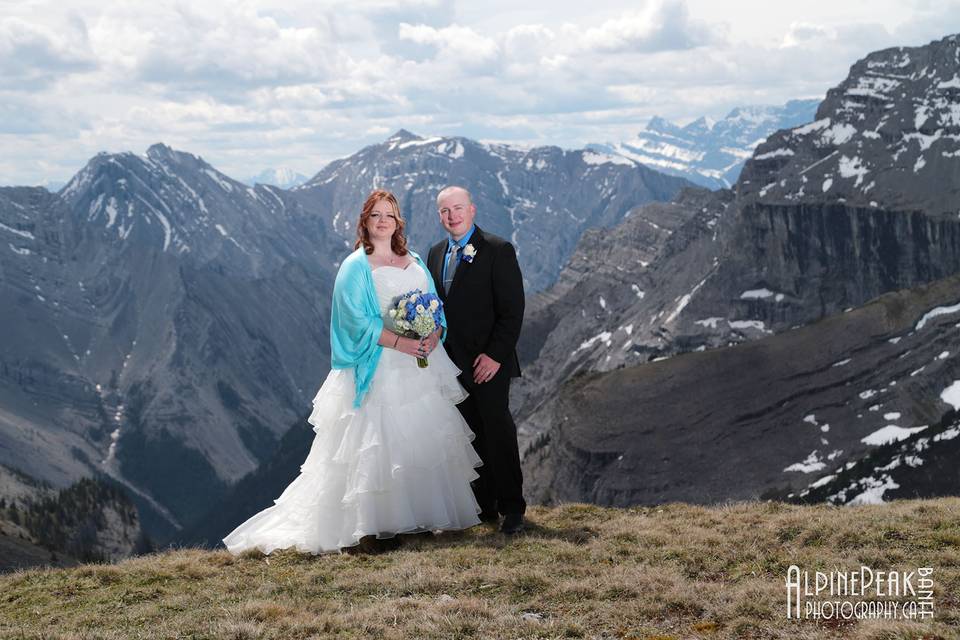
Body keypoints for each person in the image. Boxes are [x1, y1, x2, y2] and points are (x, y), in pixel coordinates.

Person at [222, 189, 482, 556]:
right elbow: (355, 323)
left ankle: (417, 519)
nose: (382, 221)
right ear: (365, 221)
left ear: (397, 222)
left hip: (420, 368)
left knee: (419, 439)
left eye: (389, 215)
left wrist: (433, 332)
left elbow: (434, 305)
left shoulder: (416, 259)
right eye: (375, 215)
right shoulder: (355, 266)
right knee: (375, 446)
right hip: (379, 366)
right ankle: (371, 527)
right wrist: (404, 343)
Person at [426, 186, 527, 535]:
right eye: (445, 211)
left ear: (472, 209)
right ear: (439, 216)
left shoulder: (498, 250)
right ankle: (484, 508)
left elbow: (512, 311)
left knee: (498, 432)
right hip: (451, 364)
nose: (452, 216)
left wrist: (496, 355)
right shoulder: (436, 253)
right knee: (469, 437)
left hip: (489, 363)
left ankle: (513, 508)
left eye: (458, 208)